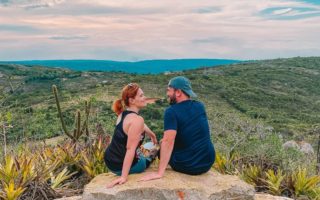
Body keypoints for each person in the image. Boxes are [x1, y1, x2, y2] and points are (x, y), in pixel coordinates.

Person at [140, 76, 215, 181]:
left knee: (159, 144)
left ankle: (143, 162)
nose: (167, 94)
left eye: (169, 91)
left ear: (178, 92)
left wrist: (159, 173)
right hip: (207, 162)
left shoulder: (171, 111)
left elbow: (168, 141)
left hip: (188, 165)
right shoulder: (200, 106)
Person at [104, 83, 158, 188]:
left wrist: (152, 134)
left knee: (148, 144)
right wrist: (124, 177)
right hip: (121, 166)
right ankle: (148, 159)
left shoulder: (122, 114)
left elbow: (141, 125)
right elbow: (130, 149)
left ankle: (143, 153)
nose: (145, 97)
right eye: (141, 95)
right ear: (132, 100)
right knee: (153, 148)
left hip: (110, 160)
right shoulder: (137, 120)